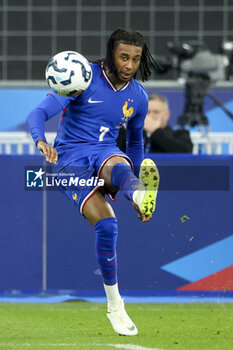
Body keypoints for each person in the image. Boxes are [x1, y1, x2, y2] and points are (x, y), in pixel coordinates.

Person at [27, 28, 160, 336]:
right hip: (70, 161)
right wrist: (40, 141)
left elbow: (136, 142)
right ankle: (114, 305)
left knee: (117, 163)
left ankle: (139, 194)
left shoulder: (137, 96)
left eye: (136, 59)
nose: (129, 65)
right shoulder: (83, 78)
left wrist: (139, 176)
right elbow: (38, 113)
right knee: (108, 226)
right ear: (111, 53)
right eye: (124, 57)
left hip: (105, 154)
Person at [117, 94, 193, 153]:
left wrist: (155, 131)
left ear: (167, 114)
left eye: (156, 112)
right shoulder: (131, 136)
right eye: (147, 112)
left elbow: (185, 153)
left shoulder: (180, 135)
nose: (150, 116)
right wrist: (124, 131)